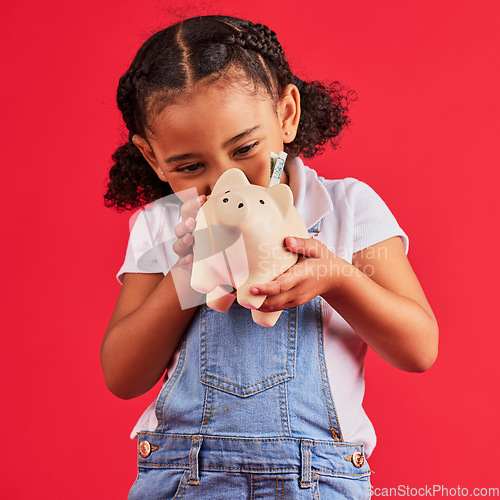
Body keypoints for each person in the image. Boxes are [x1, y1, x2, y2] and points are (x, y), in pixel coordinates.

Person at [101, 14, 438, 499]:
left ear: (286, 115)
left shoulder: (347, 208)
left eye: (245, 148)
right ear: (154, 159)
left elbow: (419, 348)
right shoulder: (161, 224)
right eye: (191, 166)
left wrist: (335, 277)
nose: (225, 180)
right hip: (185, 477)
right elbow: (122, 374)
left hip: (317, 479)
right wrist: (189, 272)